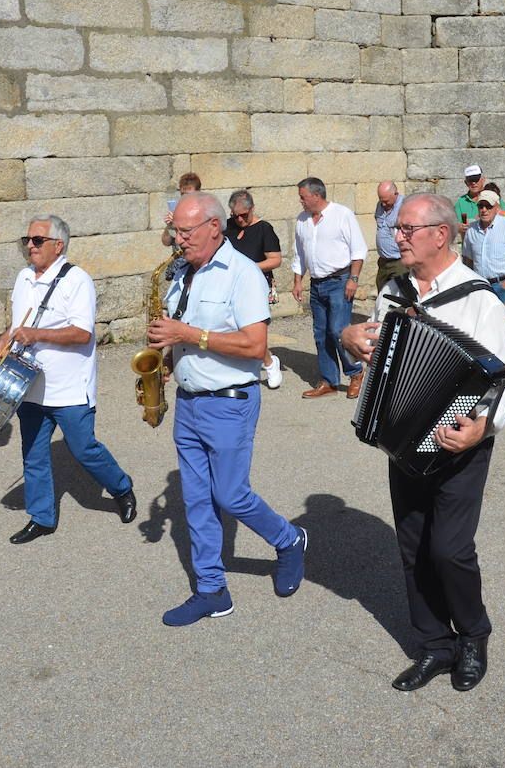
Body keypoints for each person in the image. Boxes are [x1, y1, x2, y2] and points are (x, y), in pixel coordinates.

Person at [341, 194, 505, 693]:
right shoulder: (392, 292)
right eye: (397, 229)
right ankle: (434, 645)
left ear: (440, 234)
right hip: (403, 437)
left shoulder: (477, 297)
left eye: (407, 229)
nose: (397, 236)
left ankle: (473, 636)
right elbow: (377, 361)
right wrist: (349, 340)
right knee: (413, 545)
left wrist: (484, 427)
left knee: (451, 549)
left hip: (463, 441)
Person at [147, 193, 307, 623]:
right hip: (188, 402)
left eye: (186, 232)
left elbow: (256, 347)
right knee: (196, 501)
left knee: (230, 495)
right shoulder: (182, 272)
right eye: (176, 231)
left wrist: (189, 333)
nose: (177, 240)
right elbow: (181, 331)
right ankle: (212, 589)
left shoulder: (243, 274)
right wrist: (165, 350)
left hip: (230, 402)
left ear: (214, 226)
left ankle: (289, 539)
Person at [0, 216, 137, 544]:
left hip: (69, 387)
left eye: (36, 240)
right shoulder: (23, 277)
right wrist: (5, 335)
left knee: (84, 448)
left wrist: (36, 334)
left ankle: (121, 486)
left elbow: (81, 332)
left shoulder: (77, 280)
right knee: (32, 451)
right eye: (26, 240)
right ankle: (42, 517)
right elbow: (19, 322)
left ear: (57, 245)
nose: (29, 246)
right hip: (29, 383)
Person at [292, 177, 367, 399]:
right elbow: (299, 254)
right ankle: (329, 381)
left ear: (316, 195)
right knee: (320, 334)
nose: (301, 201)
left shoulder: (342, 215)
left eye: (303, 197)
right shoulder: (302, 220)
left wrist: (353, 279)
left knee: (338, 331)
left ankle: (355, 372)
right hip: (316, 284)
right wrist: (298, 281)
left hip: (339, 282)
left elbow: (358, 250)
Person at [226, 189, 284, 389]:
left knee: (252, 329)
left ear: (252, 208)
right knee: (234, 327)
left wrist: (248, 268)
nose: (240, 219)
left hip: (256, 284)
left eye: (244, 215)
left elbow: (276, 260)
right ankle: (242, 365)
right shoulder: (228, 226)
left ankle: (269, 363)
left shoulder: (264, 228)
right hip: (231, 284)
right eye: (236, 216)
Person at [461, 189, 505, 360]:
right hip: (481, 287)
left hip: (503, 286)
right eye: (481, 206)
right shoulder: (472, 230)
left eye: (488, 206)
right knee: (483, 330)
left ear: (497, 207)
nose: (484, 210)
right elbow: (467, 261)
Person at [374, 181, 408, 291]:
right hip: (383, 262)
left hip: (399, 262)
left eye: (386, 201)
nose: (383, 204)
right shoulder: (380, 205)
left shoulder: (405, 207)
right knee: (382, 296)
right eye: (381, 201)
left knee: (399, 296)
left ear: (395, 194)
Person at [455, 165, 505, 234]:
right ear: (466, 182)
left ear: (483, 180)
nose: (473, 183)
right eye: (470, 180)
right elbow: (453, 224)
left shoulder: (493, 198)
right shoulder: (461, 202)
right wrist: (458, 227)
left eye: (476, 179)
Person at [160, 172, 203, 247]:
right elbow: (166, 242)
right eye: (182, 194)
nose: (185, 198)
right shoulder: (178, 210)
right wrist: (170, 226)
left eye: (189, 195)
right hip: (178, 257)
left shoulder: (205, 211)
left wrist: (178, 225)